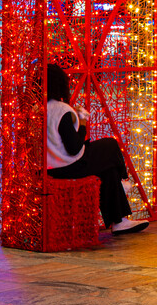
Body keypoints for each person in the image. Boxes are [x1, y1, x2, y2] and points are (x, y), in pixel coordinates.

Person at [46, 64, 147, 235]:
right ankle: (123, 182)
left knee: (108, 169)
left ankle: (120, 221)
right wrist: (82, 121)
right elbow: (74, 148)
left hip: (51, 167)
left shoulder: (37, 109)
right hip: (68, 166)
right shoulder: (60, 110)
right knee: (110, 145)